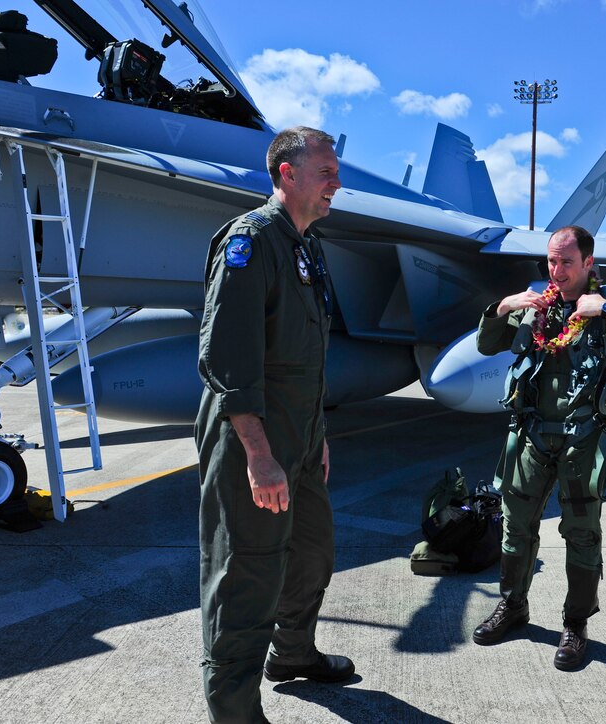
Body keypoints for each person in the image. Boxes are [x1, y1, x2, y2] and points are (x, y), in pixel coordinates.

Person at [196, 126, 351, 723]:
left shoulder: (307, 245)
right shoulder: (252, 241)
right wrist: (259, 453)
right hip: (250, 438)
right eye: (326, 172)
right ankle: (232, 708)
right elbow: (229, 358)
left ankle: (291, 654)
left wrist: (318, 435)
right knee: (247, 571)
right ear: (288, 174)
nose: (337, 183)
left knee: (312, 553)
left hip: (300, 438)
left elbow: (304, 356)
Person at [471, 225, 606, 670]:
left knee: (581, 536)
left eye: (565, 262)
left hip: (584, 443)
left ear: (588, 264)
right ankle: (513, 606)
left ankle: (576, 625)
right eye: (551, 261)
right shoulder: (534, 310)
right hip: (532, 438)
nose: (555, 271)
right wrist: (503, 306)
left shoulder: (605, 309)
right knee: (516, 527)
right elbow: (486, 344)